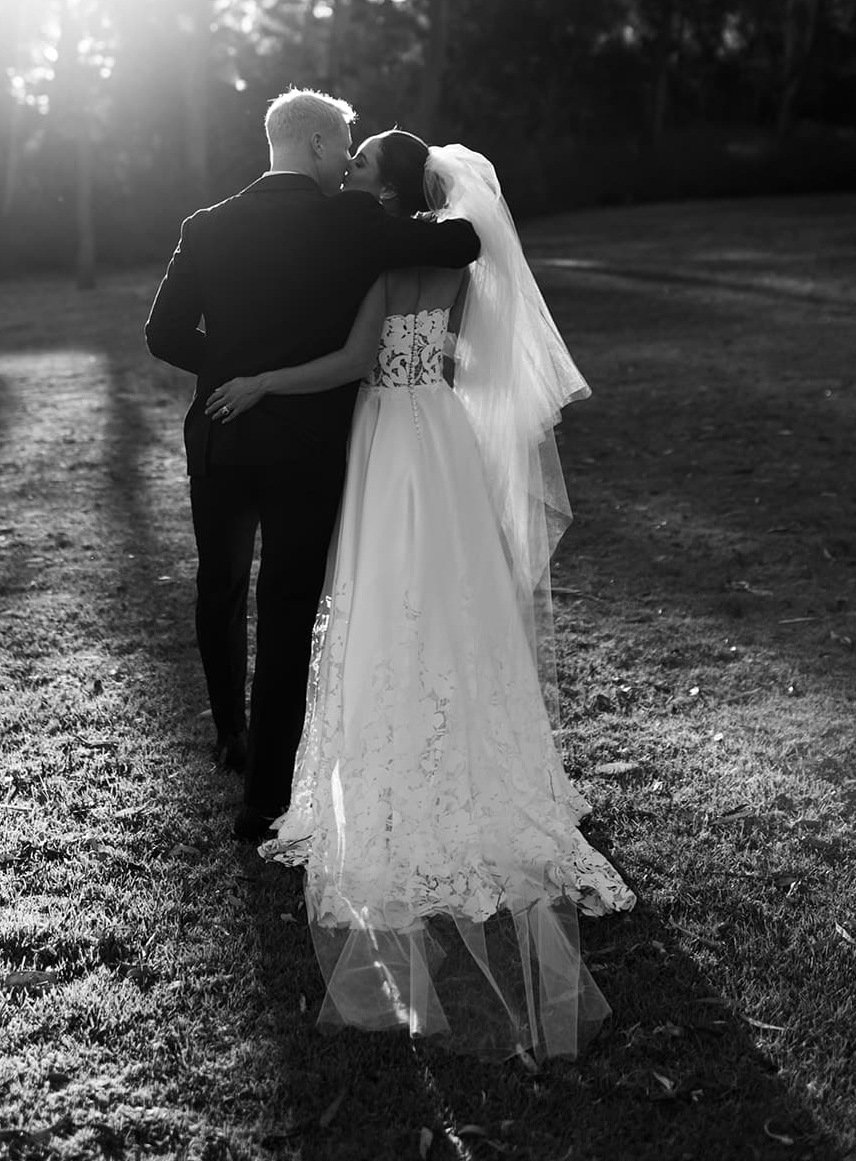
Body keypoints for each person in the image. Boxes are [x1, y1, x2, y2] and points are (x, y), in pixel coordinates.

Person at [204, 132, 635, 1063]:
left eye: (360, 168)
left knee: (385, 590)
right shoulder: (448, 252)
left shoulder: (385, 255)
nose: (348, 175)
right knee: (455, 600)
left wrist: (267, 376)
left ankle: (390, 758)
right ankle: (474, 751)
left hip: (388, 439)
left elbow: (357, 360)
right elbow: (469, 357)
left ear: (387, 186)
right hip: (437, 431)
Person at [144, 92, 480, 844]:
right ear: (323, 145)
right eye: (348, 144)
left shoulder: (204, 226)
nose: (348, 156)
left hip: (223, 434)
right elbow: (458, 246)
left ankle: (230, 733)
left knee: (219, 586)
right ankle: (264, 799)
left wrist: (232, 365)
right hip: (306, 444)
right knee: (288, 610)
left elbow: (162, 334)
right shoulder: (350, 220)